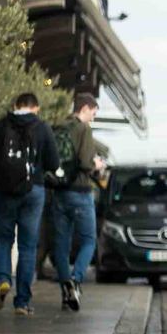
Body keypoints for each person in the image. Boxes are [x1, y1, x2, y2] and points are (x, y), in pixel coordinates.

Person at [0, 93, 59, 316]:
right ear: (36, 108)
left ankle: (3, 280)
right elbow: (54, 163)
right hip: (33, 191)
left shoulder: (0, 125)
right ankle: (22, 302)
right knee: (27, 246)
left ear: (15, 105)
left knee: (4, 239)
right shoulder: (42, 127)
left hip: (5, 191)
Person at [51, 93, 104, 311]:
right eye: (93, 113)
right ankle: (76, 278)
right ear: (84, 108)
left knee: (61, 245)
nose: (92, 118)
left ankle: (66, 287)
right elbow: (84, 162)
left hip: (59, 192)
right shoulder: (84, 129)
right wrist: (97, 165)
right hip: (81, 192)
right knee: (89, 240)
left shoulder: (58, 128)